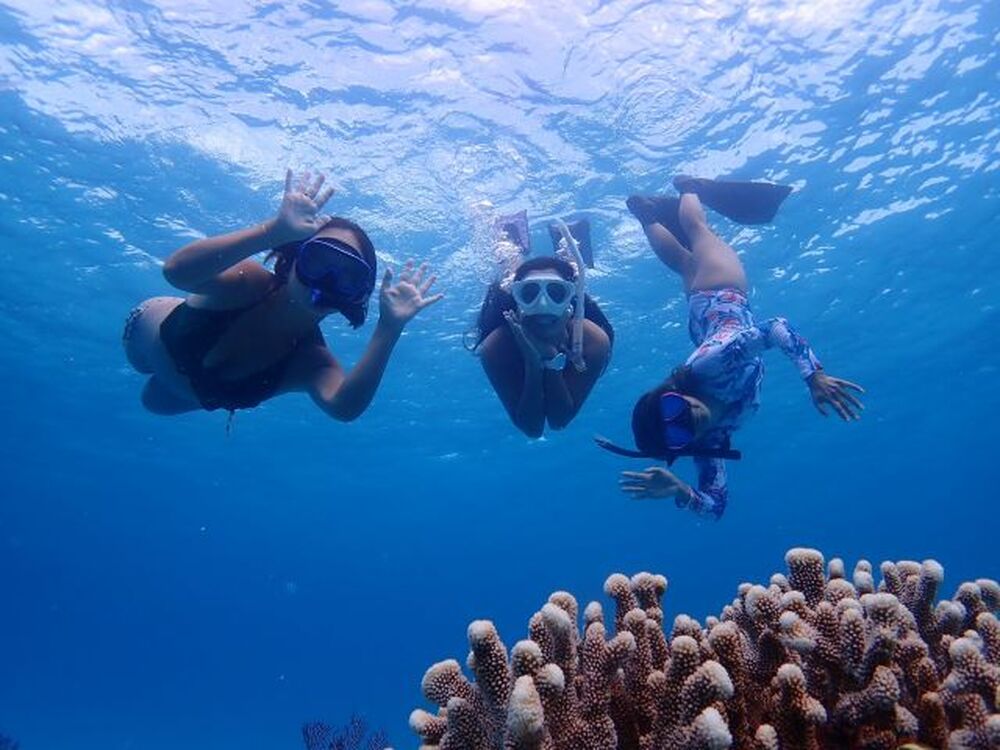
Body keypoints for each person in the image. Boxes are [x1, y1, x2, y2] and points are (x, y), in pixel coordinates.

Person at [608, 177, 864, 519]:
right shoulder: (712, 439)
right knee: (685, 263)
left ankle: (688, 187)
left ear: (670, 394)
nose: (688, 416)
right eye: (679, 429)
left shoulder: (713, 365)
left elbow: (775, 327)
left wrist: (813, 376)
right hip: (703, 324)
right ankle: (646, 214)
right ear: (684, 445)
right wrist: (681, 491)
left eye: (673, 408)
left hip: (722, 291)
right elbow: (716, 507)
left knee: (699, 231)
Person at [122, 169, 442, 420]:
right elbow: (177, 272)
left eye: (348, 277)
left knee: (151, 403)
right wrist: (272, 231)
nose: (326, 281)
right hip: (144, 332)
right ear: (291, 259)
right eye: (319, 260)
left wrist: (389, 328)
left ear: (356, 296)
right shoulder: (248, 283)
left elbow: (343, 407)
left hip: (181, 392)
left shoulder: (311, 362)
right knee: (141, 371)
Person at [470, 212, 613, 438]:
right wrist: (534, 364)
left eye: (557, 293)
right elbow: (533, 429)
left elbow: (558, 421)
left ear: (569, 300)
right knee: (512, 270)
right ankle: (511, 251)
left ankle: (562, 250)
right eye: (529, 293)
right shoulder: (496, 346)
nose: (543, 304)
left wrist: (548, 360)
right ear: (517, 298)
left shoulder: (592, 339)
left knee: (563, 270)